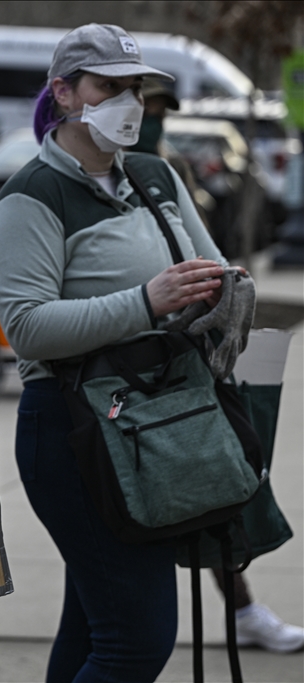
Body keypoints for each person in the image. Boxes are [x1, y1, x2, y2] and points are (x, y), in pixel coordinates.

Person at [0, 23, 234, 681]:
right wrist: (147, 302)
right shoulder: (32, 196)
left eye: (137, 88)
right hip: (75, 432)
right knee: (137, 639)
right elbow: (28, 329)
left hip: (154, 419)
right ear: (63, 93)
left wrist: (218, 295)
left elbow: (211, 267)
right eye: (109, 87)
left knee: (96, 626)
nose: (129, 102)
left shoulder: (156, 174)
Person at [131, 80, 304, 656]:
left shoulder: (163, 169)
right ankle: (244, 608)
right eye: (143, 108)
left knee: (225, 478)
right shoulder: (85, 170)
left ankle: (245, 607)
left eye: (156, 111)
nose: (148, 121)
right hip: (140, 369)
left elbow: (202, 253)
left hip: (191, 350)